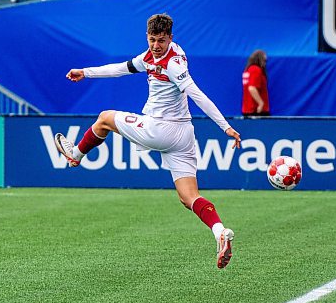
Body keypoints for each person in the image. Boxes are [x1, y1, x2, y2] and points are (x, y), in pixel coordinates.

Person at [55, 13, 241, 269]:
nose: (156, 45)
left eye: (161, 41)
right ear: (147, 36)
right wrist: (85, 73)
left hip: (160, 129)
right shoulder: (149, 57)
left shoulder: (174, 65)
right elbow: (120, 69)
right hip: (184, 135)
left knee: (104, 118)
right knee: (189, 198)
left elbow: (198, 95)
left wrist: (226, 127)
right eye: (153, 39)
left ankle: (75, 155)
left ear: (170, 39)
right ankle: (220, 232)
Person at [241, 50, 270, 116]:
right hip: (256, 109)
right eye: (265, 61)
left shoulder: (248, 70)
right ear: (259, 59)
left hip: (247, 108)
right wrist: (260, 103)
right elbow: (252, 88)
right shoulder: (255, 70)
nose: (265, 63)